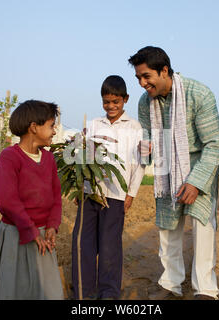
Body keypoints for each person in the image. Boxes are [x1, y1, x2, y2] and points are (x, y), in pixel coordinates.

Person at [128, 46, 219, 300]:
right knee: (167, 228)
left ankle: (205, 289)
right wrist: (143, 148)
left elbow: (213, 144)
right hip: (165, 169)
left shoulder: (198, 93)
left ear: (165, 70)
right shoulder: (144, 102)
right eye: (138, 78)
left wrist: (196, 182)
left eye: (146, 76)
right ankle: (171, 283)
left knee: (203, 226)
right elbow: (148, 140)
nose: (142, 83)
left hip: (199, 165)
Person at [71, 75, 145, 300]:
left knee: (110, 247)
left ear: (125, 99)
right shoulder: (94, 125)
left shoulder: (135, 128)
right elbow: (81, 156)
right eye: (106, 102)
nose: (111, 106)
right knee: (83, 244)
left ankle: (109, 295)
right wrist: (79, 185)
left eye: (116, 102)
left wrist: (130, 193)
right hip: (90, 192)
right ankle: (82, 294)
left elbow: (138, 164)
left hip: (116, 196)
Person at [0, 100, 64, 300]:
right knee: (16, 288)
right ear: (34, 127)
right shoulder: (10, 157)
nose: (54, 131)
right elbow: (7, 199)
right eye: (51, 126)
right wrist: (30, 229)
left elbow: (55, 197)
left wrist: (52, 225)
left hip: (43, 234)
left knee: (47, 289)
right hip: (17, 233)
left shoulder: (49, 159)